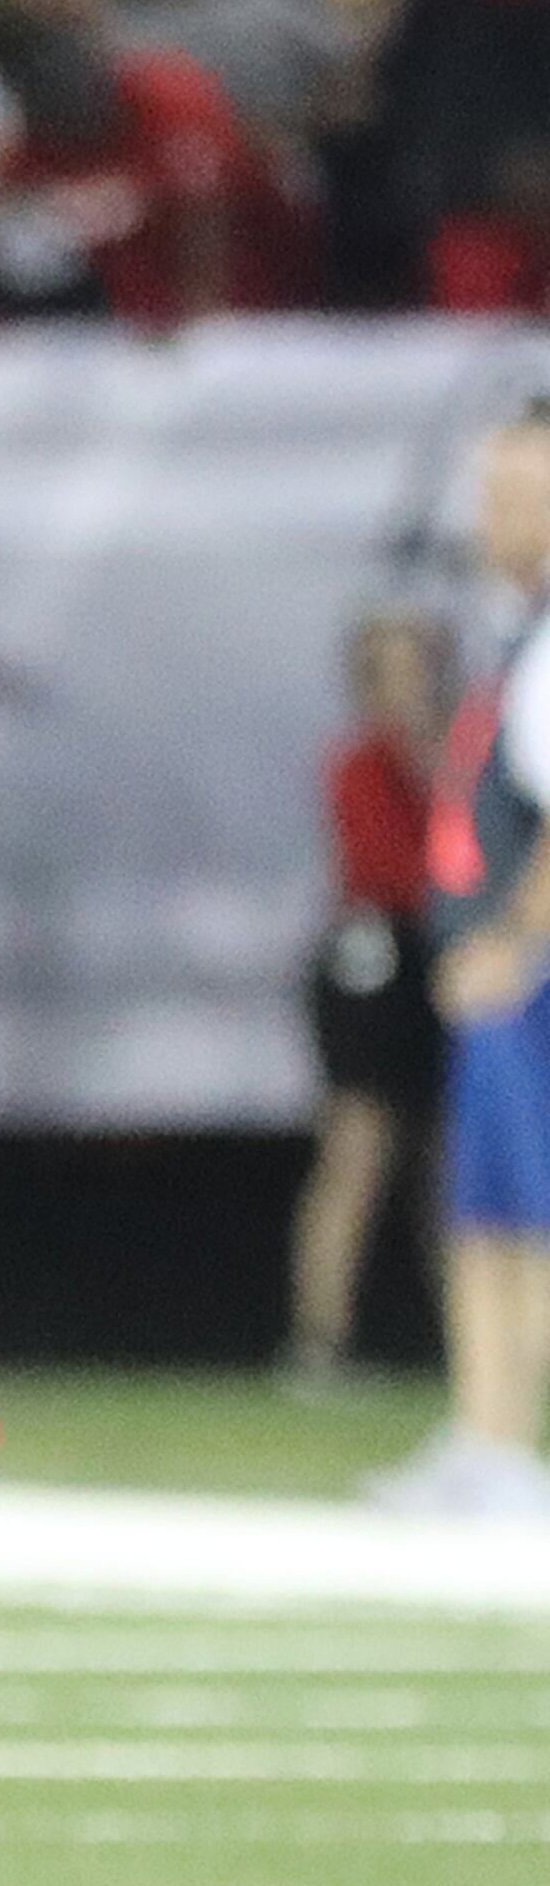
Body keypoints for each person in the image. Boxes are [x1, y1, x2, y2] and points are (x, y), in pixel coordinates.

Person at [382, 408, 550, 1514]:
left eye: (515, 494)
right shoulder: (512, 630)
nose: (491, 517)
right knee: (482, 1213)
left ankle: (519, 1447)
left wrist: (517, 944)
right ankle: (489, 1439)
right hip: (497, 970)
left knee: (535, 1216)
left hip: (530, 974)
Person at [288, 606, 451, 1391]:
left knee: (453, 1163)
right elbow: (389, 868)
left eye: (417, 664)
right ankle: (322, 1341)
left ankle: (481, 1342)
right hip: (374, 965)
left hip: (442, 963)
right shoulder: (358, 761)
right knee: (356, 1154)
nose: (407, 683)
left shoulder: (461, 756)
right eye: (390, 668)